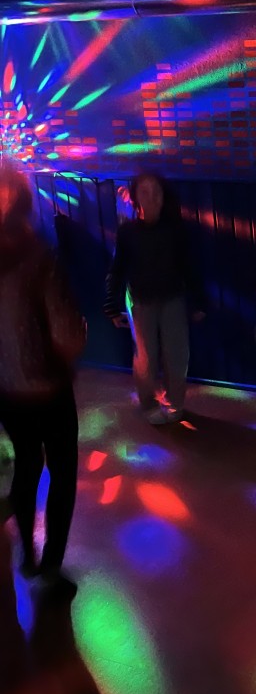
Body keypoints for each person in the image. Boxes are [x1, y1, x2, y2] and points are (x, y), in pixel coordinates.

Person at [0, 164, 86, 595]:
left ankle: (27, 556)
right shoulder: (38, 256)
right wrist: (77, 340)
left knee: (27, 464)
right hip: (48, 388)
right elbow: (67, 333)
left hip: (7, 391)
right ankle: (50, 566)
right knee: (62, 472)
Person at [104, 172, 205, 424]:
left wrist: (199, 300)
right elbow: (117, 269)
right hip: (141, 300)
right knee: (145, 359)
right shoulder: (128, 232)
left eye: (156, 191)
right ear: (135, 197)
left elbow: (189, 266)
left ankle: (174, 404)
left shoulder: (175, 229)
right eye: (145, 192)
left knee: (177, 355)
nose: (152, 197)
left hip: (172, 297)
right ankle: (148, 404)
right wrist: (111, 304)